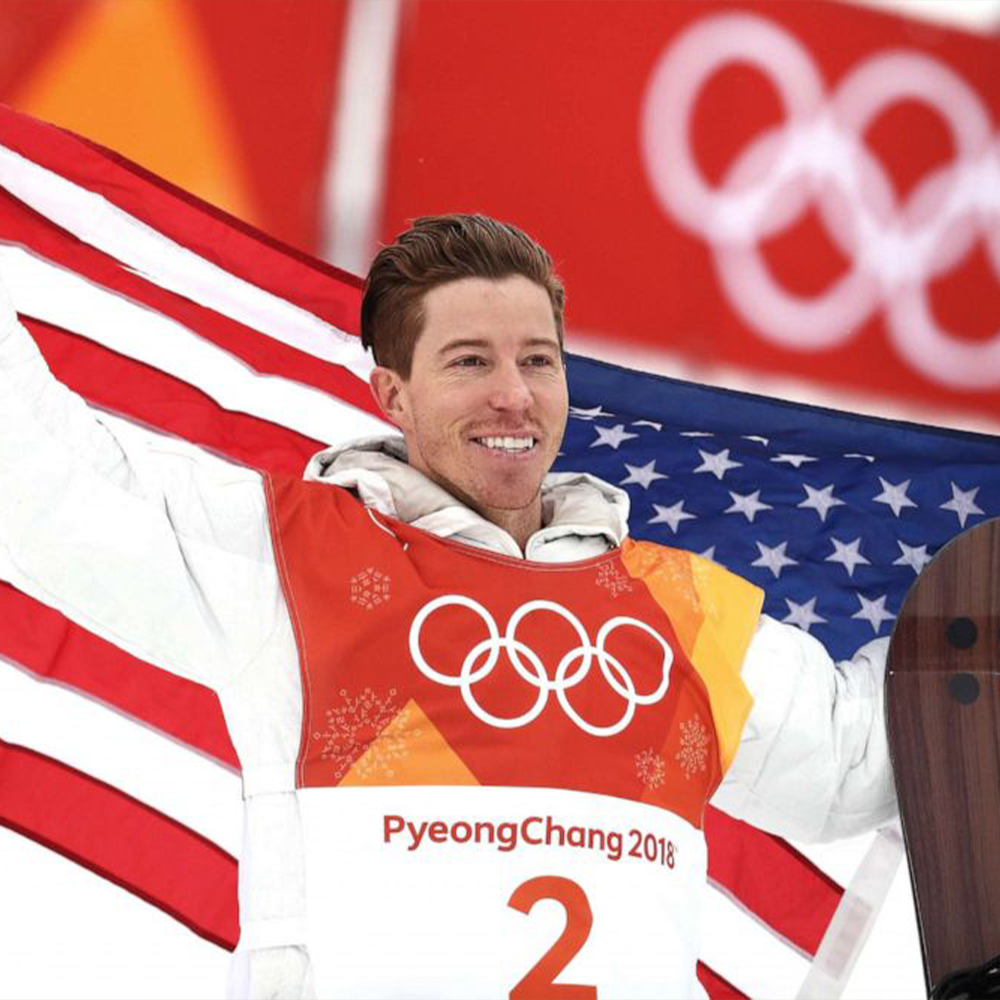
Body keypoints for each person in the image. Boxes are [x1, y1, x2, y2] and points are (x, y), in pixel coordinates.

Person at [0, 213, 894, 999]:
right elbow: (45, 484)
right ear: (393, 392)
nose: (514, 393)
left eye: (537, 361)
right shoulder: (290, 558)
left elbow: (868, 760)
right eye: (470, 361)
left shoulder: (678, 609)